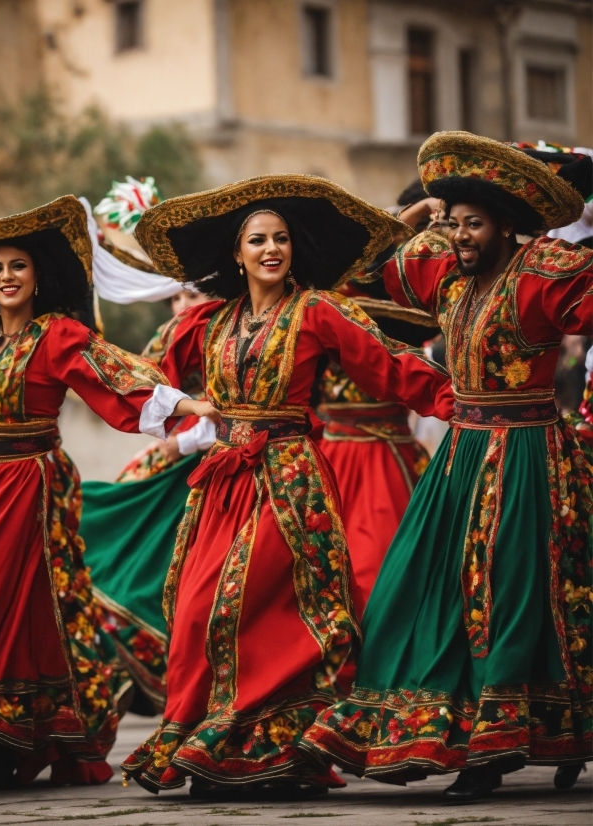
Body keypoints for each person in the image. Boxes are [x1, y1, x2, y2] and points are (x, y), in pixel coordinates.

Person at [119, 174, 454, 797]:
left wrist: (466, 402)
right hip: (223, 483)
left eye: (280, 239)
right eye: (257, 240)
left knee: (258, 610)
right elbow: (139, 374)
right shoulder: (207, 321)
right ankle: (212, 743)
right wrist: (187, 407)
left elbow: (388, 362)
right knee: (193, 614)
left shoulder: (318, 310)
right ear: (237, 252)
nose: (271, 249)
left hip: (290, 479)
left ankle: (270, 752)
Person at [0, 195, 211, 791]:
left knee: (7, 609)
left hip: (28, 489)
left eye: (17, 267)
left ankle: (5, 741)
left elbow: (115, 375)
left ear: (37, 276)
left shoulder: (57, 335)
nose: (6, 277)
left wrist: (183, 405)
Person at [300, 132, 593, 801]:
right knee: (418, 585)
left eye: (474, 222)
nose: (459, 234)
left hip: (526, 454)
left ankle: (493, 748)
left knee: (506, 593)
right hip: (460, 454)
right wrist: (418, 216)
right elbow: (357, 270)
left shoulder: (545, 269)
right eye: (452, 221)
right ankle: (432, 727)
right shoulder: (448, 276)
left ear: (508, 225)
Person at [80, 286, 215, 715]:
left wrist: (188, 442)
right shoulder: (175, 333)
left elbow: (236, 409)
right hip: (172, 463)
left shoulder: (226, 329)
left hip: (211, 465)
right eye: (174, 299)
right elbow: (143, 384)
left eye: (191, 295)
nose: (180, 306)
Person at [314, 291, 438, 668]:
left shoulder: (406, 335)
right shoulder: (316, 330)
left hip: (388, 463)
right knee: (324, 570)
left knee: (381, 569)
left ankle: (384, 670)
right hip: (333, 462)